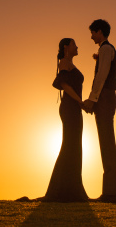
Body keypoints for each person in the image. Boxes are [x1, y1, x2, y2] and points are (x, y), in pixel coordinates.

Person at [82, 19, 116, 203]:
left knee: (107, 143)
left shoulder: (106, 49)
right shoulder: (104, 50)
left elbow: (102, 75)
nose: (91, 36)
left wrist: (92, 99)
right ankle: (114, 192)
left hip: (105, 96)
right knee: (107, 143)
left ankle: (111, 194)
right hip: (106, 97)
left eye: (93, 33)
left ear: (100, 31)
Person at [42, 38, 88, 202]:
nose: (78, 46)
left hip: (74, 108)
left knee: (73, 146)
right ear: (66, 47)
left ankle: (71, 187)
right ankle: (62, 189)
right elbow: (65, 85)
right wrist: (80, 101)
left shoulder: (70, 64)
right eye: (75, 44)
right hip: (70, 108)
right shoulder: (63, 63)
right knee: (70, 145)